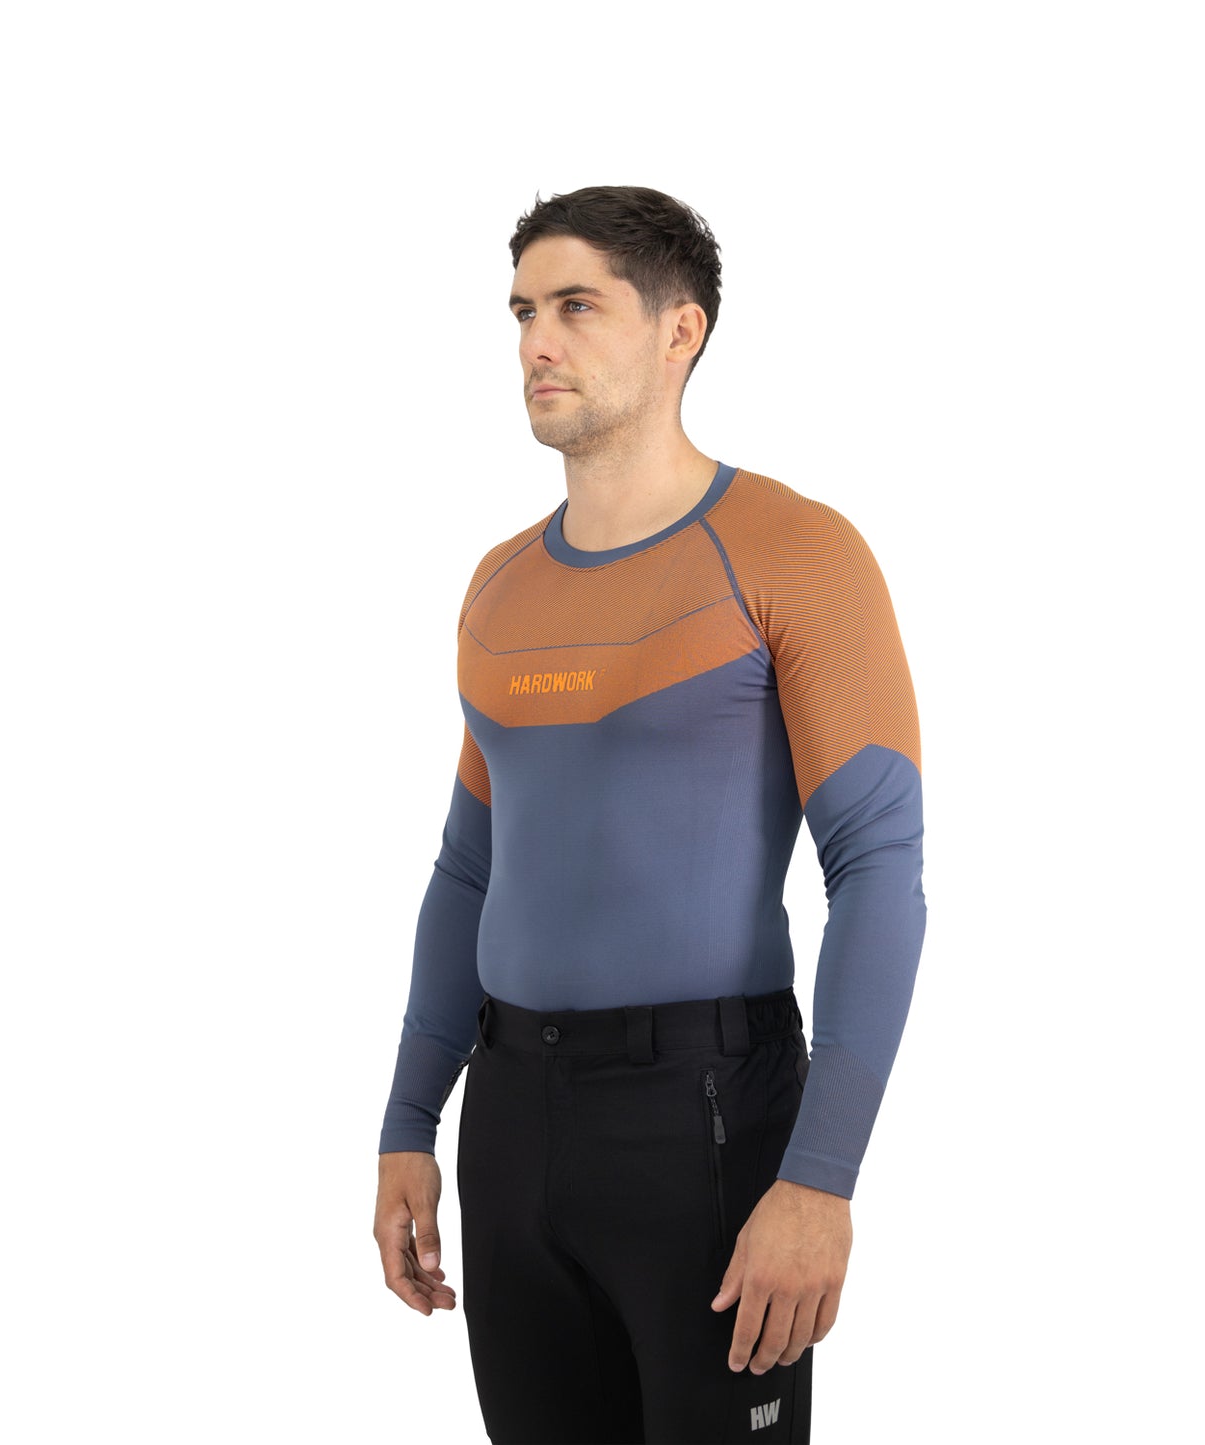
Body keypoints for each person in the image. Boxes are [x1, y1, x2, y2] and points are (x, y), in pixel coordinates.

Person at [373, 185, 926, 1444]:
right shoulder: (500, 582)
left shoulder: (792, 549)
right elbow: (468, 867)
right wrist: (410, 1120)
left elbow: (877, 867)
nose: (536, 341)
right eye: (522, 311)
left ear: (681, 330)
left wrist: (820, 1177)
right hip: (508, 1113)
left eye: (576, 306)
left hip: (705, 1112)